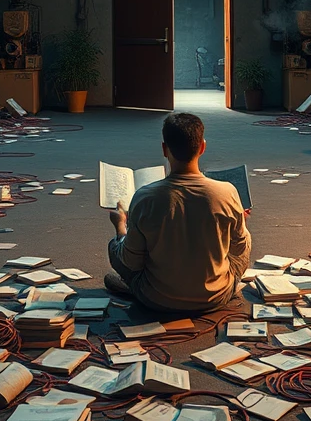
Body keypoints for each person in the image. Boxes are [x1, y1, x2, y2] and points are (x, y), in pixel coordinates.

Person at [104, 112, 252, 314]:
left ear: (165, 149)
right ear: (202, 147)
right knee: (243, 239)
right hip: (215, 297)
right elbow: (239, 248)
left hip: (157, 299)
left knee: (115, 247)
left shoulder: (144, 197)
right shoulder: (227, 192)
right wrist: (239, 220)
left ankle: (135, 288)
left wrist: (120, 224)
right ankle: (220, 285)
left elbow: (131, 261)